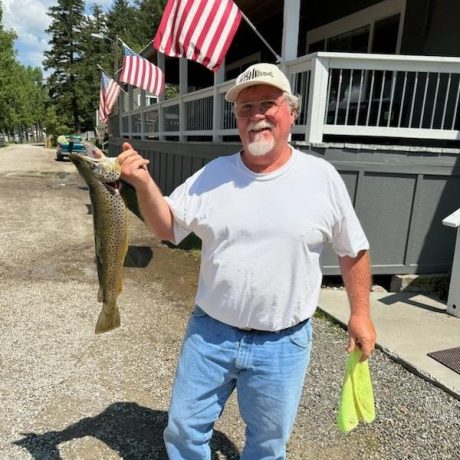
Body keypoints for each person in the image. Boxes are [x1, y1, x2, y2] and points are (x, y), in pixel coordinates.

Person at [118, 62, 376, 460]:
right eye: (245, 108)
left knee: (268, 445)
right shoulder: (213, 175)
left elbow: (352, 249)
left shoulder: (320, 178)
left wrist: (361, 314)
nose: (256, 115)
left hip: (284, 342)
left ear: (291, 111)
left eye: (267, 104)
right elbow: (168, 227)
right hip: (211, 334)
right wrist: (144, 184)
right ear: (236, 118)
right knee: (184, 431)